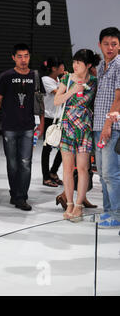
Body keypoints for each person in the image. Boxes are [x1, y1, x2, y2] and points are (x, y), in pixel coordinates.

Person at [0, 43, 45, 211]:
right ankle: (14, 193)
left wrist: (41, 123)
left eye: (26, 56)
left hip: (28, 127)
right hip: (9, 126)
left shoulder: (35, 76)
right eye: (19, 56)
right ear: (13, 57)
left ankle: (21, 197)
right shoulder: (6, 76)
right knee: (12, 164)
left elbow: (39, 102)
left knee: (25, 162)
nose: (23, 59)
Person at [54, 49, 100, 221]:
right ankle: (70, 203)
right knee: (67, 168)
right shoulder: (66, 78)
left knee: (82, 168)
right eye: (74, 62)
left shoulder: (95, 81)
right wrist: (72, 91)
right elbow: (57, 100)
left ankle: (79, 206)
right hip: (67, 126)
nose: (75, 66)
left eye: (79, 63)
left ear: (88, 65)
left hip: (85, 128)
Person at [93, 27, 120, 228]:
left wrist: (108, 124)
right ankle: (108, 211)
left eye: (114, 44)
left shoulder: (119, 65)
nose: (110, 48)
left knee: (111, 173)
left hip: (112, 127)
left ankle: (117, 215)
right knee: (102, 174)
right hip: (98, 126)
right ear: (100, 45)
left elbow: (119, 98)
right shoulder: (102, 65)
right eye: (106, 44)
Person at [40, 56, 65, 187]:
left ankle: (53, 172)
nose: (63, 67)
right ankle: (45, 177)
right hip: (49, 117)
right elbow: (59, 94)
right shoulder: (46, 80)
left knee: (63, 147)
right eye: (61, 65)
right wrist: (67, 81)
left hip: (59, 117)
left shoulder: (58, 79)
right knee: (47, 148)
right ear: (54, 68)